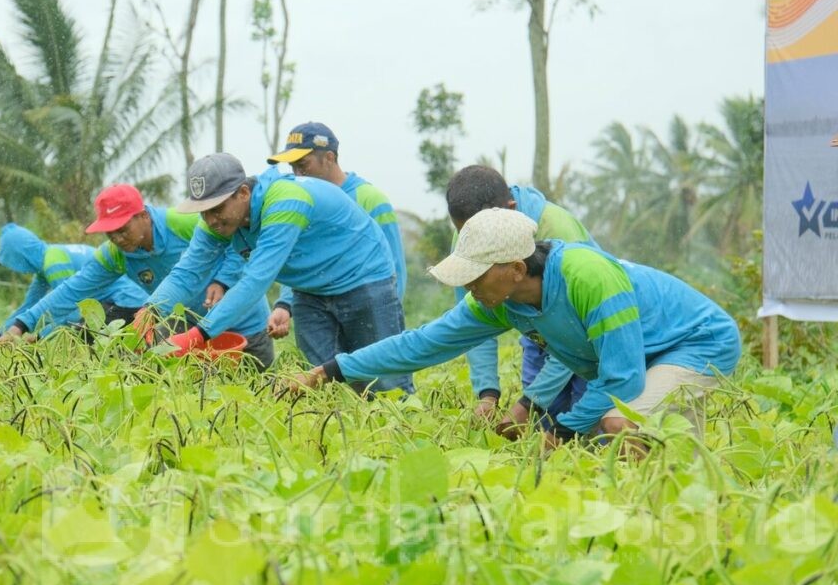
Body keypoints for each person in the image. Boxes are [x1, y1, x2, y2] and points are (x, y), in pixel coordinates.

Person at [290, 208, 741, 447]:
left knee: (619, 423)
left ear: (515, 267)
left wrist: (560, 432)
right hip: (641, 355)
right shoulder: (500, 301)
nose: (468, 285)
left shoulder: (588, 277)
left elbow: (621, 379)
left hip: (695, 343)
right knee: (621, 440)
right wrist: (332, 369)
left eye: (475, 274)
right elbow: (423, 344)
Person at [146, 152, 413, 394]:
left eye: (217, 209)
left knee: (384, 375)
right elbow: (188, 271)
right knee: (320, 379)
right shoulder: (216, 224)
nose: (211, 220)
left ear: (242, 193)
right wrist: (150, 312)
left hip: (363, 278)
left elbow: (255, 280)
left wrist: (198, 335)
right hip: (310, 289)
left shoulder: (285, 201)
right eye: (204, 213)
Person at [0, 184, 274, 368]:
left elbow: (239, 241)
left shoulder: (182, 222)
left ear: (142, 215)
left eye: (122, 229)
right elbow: (72, 290)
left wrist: (222, 280)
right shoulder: (115, 254)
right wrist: (21, 325)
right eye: (110, 233)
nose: (117, 238)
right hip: (189, 334)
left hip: (246, 325)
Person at [446, 165, 595, 436]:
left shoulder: (558, 229)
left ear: (512, 208)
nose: (474, 243)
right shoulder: (466, 238)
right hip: (535, 334)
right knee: (542, 430)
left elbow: (579, 333)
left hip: (589, 338)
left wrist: (529, 402)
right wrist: (487, 393)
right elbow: (472, 322)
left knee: (588, 427)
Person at [263, 121, 407, 339]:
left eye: (303, 165)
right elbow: (300, 261)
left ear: (329, 158)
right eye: (292, 167)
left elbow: (393, 269)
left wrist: (386, 322)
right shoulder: (298, 203)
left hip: (367, 312)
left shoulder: (370, 199)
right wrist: (284, 304)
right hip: (319, 315)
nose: (297, 173)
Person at [0, 223, 149, 339]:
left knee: (84, 335)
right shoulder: (46, 262)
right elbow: (30, 305)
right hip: (110, 303)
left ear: (20, 257)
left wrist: (40, 336)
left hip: (127, 302)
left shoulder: (54, 264)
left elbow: (71, 312)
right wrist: (2, 331)